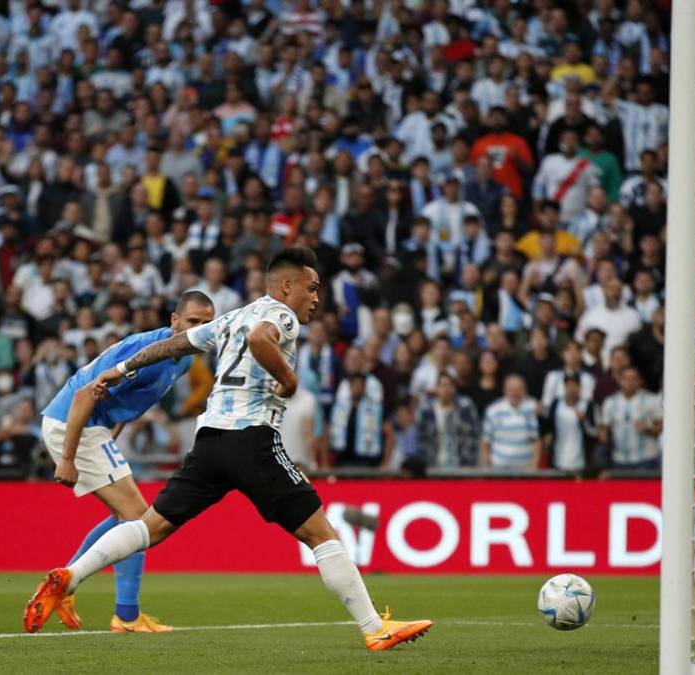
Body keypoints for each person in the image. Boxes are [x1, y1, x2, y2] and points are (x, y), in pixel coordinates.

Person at [24, 248, 432, 651]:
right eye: (311, 288)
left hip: (210, 442)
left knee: (150, 526)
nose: (316, 298)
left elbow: (171, 345)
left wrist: (119, 370)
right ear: (286, 286)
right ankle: (374, 627)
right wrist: (287, 378)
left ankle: (70, 576)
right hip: (251, 439)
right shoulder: (280, 315)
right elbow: (260, 339)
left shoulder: (233, 317)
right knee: (320, 532)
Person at [37, 290, 215, 633]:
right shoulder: (148, 352)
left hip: (95, 427)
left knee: (128, 518)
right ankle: (126, 616)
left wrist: (111, 435)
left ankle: (67, 585)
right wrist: (68, 458)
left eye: (207, 324)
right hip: (73, 422)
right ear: (174, 321)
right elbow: (83, 395)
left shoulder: (187, 359)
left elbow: (129, 399)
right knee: (137, 518)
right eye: (193, 322)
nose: (200, 330)